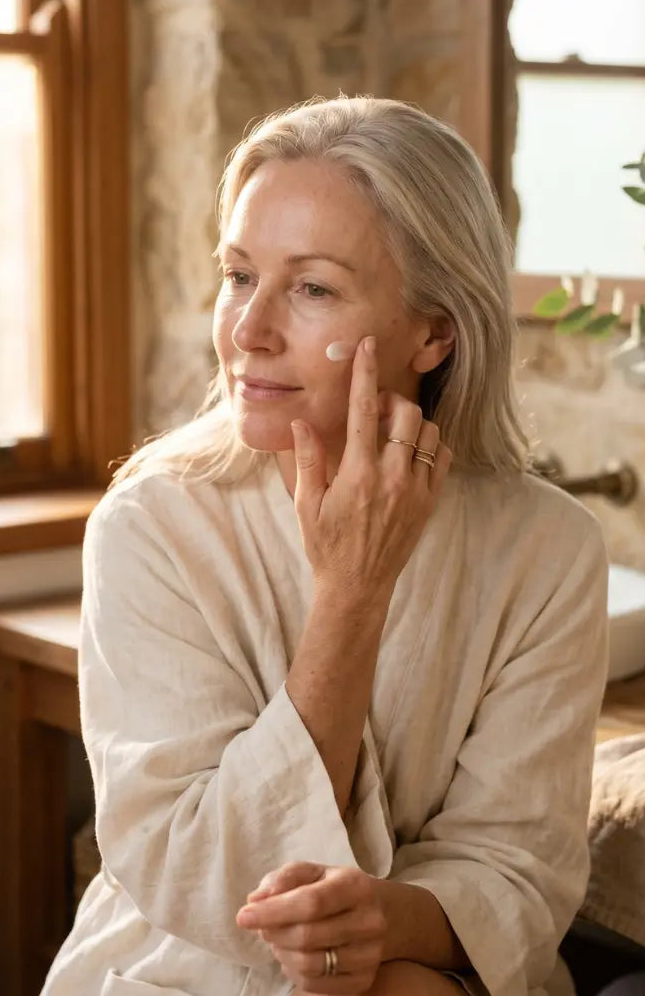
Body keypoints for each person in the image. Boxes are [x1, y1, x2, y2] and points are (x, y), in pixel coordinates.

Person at [41, 95, 609, 996]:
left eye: (311, 288)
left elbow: (521, 872)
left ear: (435, 331)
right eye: (238, 275)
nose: (248, 329)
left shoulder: (549, 550)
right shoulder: (152, 526)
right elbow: (198, 871)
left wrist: (377, 927)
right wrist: (352, 591)